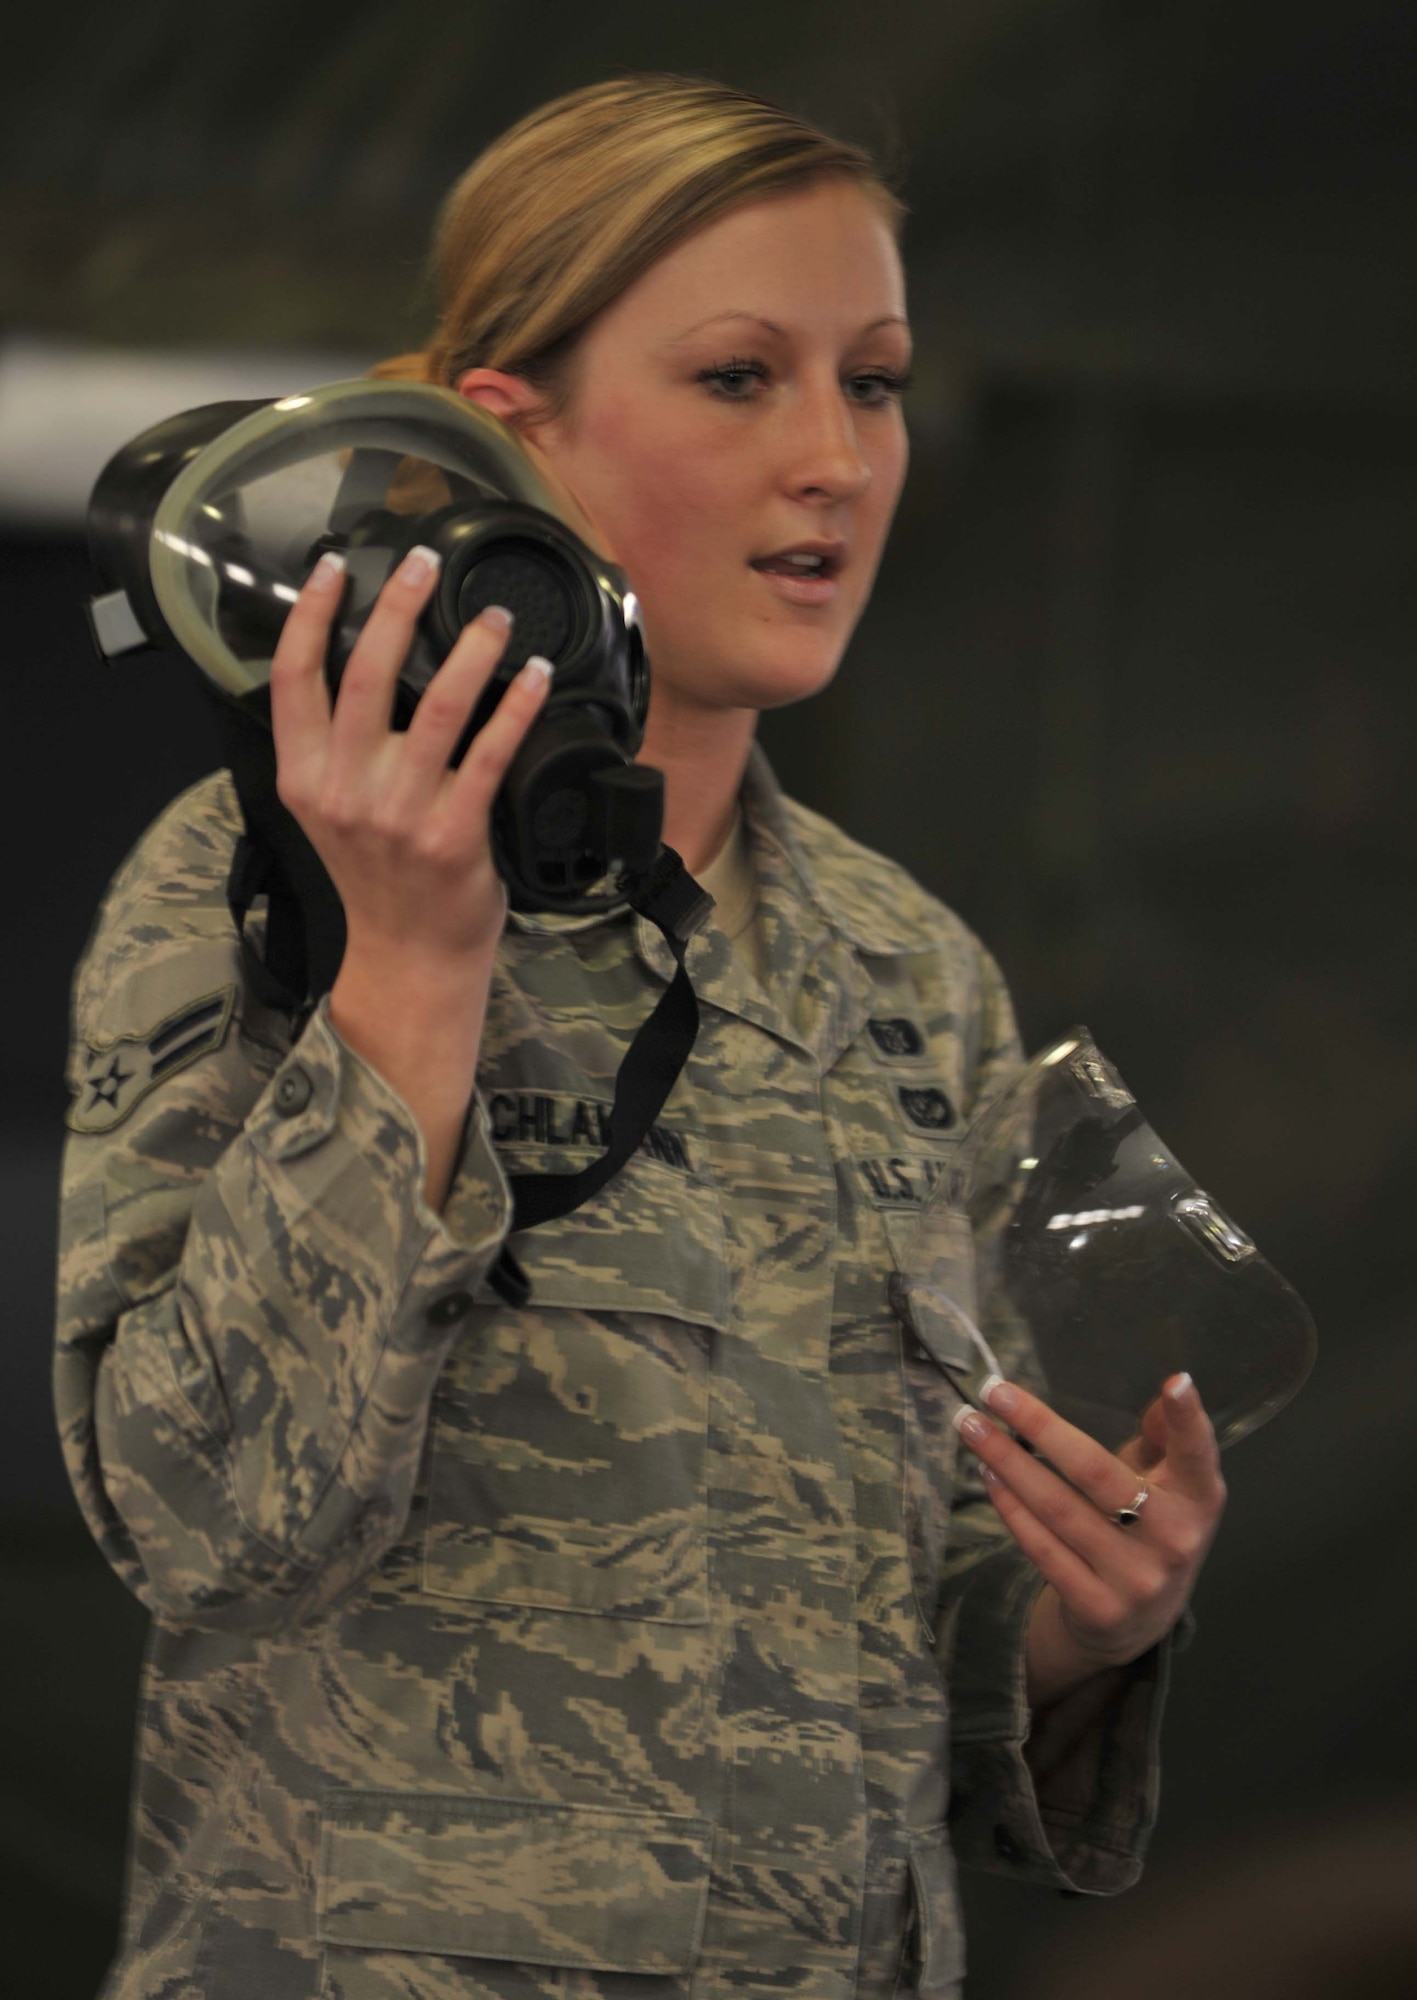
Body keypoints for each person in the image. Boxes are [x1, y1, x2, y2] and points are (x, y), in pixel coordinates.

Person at [55, 74, 1226, 2000]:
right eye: (738, 378)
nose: (838, 459)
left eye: (875, 379)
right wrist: (409, 976)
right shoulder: (253, 884)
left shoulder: (903, 965)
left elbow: (878, 1658)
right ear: (510, 445)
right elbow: (206, 1524)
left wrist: (1077, 1630)